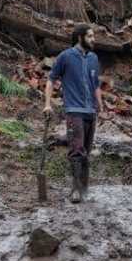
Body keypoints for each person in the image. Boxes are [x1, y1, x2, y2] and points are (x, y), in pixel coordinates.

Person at [43, 25, 106, 203]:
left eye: (94, 36)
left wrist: (100, 105)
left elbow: (95, 85)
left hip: (90, 111)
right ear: (80, 37)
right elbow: (51, 80)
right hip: (73, 110)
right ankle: (76, 190)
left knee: (86, 149)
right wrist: (47, 104)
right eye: (90, 36)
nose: (94, 39)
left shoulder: (94, 58)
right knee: (77, 150)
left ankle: (85, 188)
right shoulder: (66, 56)